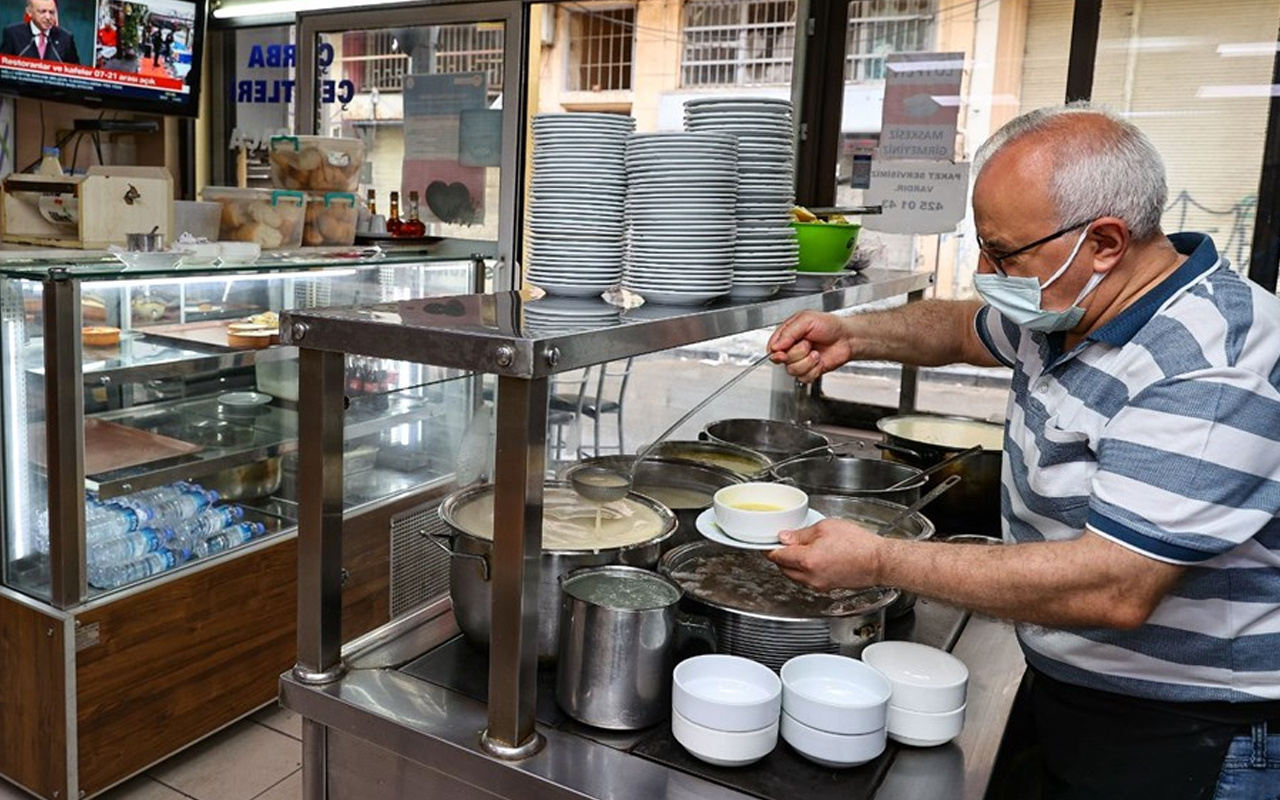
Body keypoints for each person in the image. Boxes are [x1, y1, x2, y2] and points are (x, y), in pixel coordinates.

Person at [766, 102, 1280, 800]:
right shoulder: (1079, 311)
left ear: (1104, 241)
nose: (987, 270)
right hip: (1080, 689)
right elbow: (964, 330)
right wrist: (854, 335)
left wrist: (880, 559)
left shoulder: (1210, 363)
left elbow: (1114, 585)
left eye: (1003, 253)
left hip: (1191, 733)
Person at [0, 0, 80, 64]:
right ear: (29, 12)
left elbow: (75, 73)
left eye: (51, 12)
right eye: (43, 11)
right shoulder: (13, 34)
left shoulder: (65, 39)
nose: (48, 17)